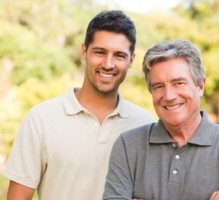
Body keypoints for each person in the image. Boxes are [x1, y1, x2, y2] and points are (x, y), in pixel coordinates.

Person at [2, 10, 155, 200]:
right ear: (84, 52)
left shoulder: (145, 125)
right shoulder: (41, 119)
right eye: (100, 52)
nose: (108, 64)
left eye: (119, 56)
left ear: (131, 60)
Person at [103, 39, 219, 200]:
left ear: (200, 86)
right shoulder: (128, 145)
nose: (169, 96)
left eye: (179, 83)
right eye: (158, 86)